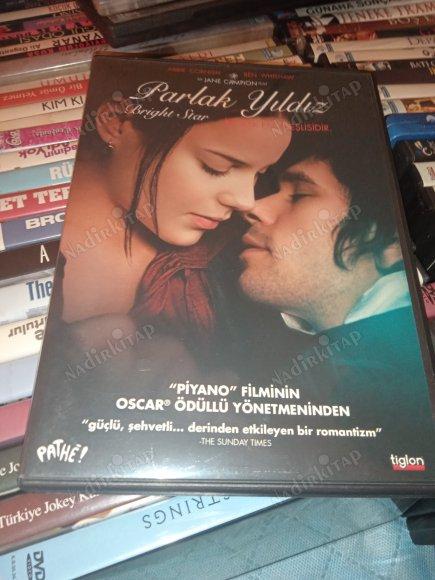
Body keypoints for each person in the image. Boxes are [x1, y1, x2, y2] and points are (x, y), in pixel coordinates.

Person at [57, 80, 292, 358]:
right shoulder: (40, 240)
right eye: (216, 167)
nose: (246, 201)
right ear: (116, 123)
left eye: (258, 174)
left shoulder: (226, 265)